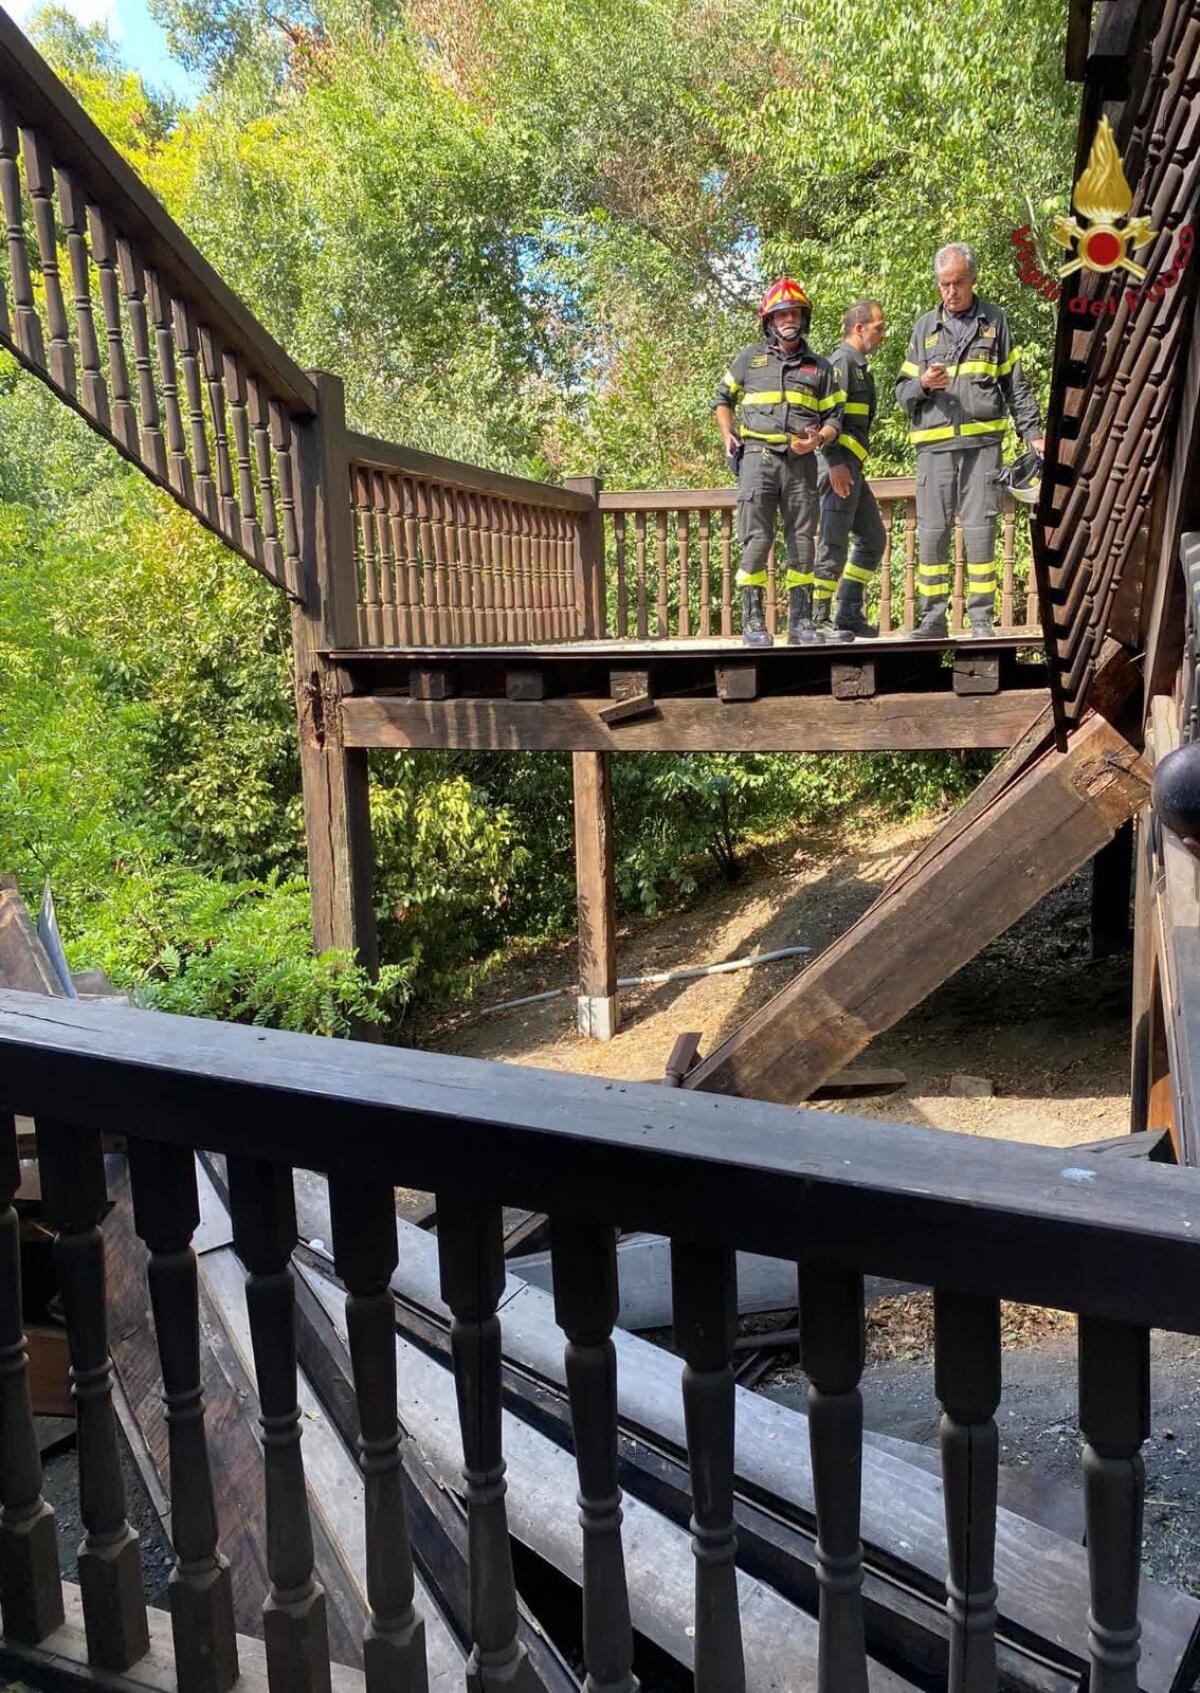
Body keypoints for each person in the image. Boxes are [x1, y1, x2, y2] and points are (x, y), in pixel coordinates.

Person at [894, 243, 1045, 639]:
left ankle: (980, 619)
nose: (951, 291)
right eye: (944, 284)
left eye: (958, 282)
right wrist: (923, 384)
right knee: (932, 533)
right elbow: (901, 393)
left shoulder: (995, 321)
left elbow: (1016, 385)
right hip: (934, 451)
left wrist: (1034, 435)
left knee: (981, 531)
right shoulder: (925, 328)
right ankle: (932, 619)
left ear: (972, 279)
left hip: (982, 450)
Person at [714, 278, 846, 646]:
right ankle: (753, 621)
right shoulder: (750, 359)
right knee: (757, 538)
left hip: (801, 464)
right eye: (781, 314)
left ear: (803, 318)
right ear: (769, 321)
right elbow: (722, 398)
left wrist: (819, 439)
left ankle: (800, 623)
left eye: (793, 313)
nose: (788, 319)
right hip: (757, 459)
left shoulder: (820, 368)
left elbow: (836, 418)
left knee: (802, 541)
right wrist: (728, 434)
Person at [813, 300, 888, 638]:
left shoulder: (859, 365)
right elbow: (825, 416)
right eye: (878, 327)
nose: (882, 334)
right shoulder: (842, 362)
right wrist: (834, 462)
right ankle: (817, 619)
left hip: (853, 467)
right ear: (859, 328)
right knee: (833, 542)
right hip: (837, 466)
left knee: (873, 537)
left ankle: (847, 611)